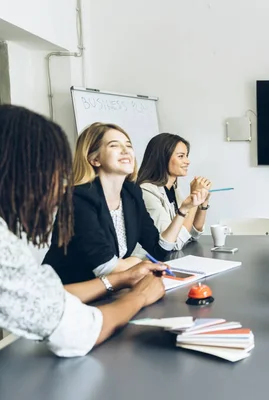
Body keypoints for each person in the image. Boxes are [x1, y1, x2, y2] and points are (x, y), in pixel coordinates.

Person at [0, 105, 167, 357]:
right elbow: (80, 333)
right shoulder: (80, 198)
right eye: (50, 168)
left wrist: (120, 278)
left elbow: (50, 295)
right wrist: (140, 297)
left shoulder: (131, 193)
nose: (56, 183)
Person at [43, 123, 209, 284]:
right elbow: (106, 267)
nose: (126, 151)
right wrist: (139, 262)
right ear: (94, 159)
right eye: (114, 145)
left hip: (109, 289)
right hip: (66, 294)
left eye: (128, 146)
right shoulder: (78, 198)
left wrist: (183, 210)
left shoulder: (131, 193)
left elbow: (159, 249)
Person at [137, 133, 212, 250]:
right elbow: (174, 243)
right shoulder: (146, 191)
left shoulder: (174, 189)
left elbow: (192, 234)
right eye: (181, 156)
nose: (188, 161)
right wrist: (193, 201)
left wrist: (203, 204)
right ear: (163, 157)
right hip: (147, 262)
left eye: (186, 155)